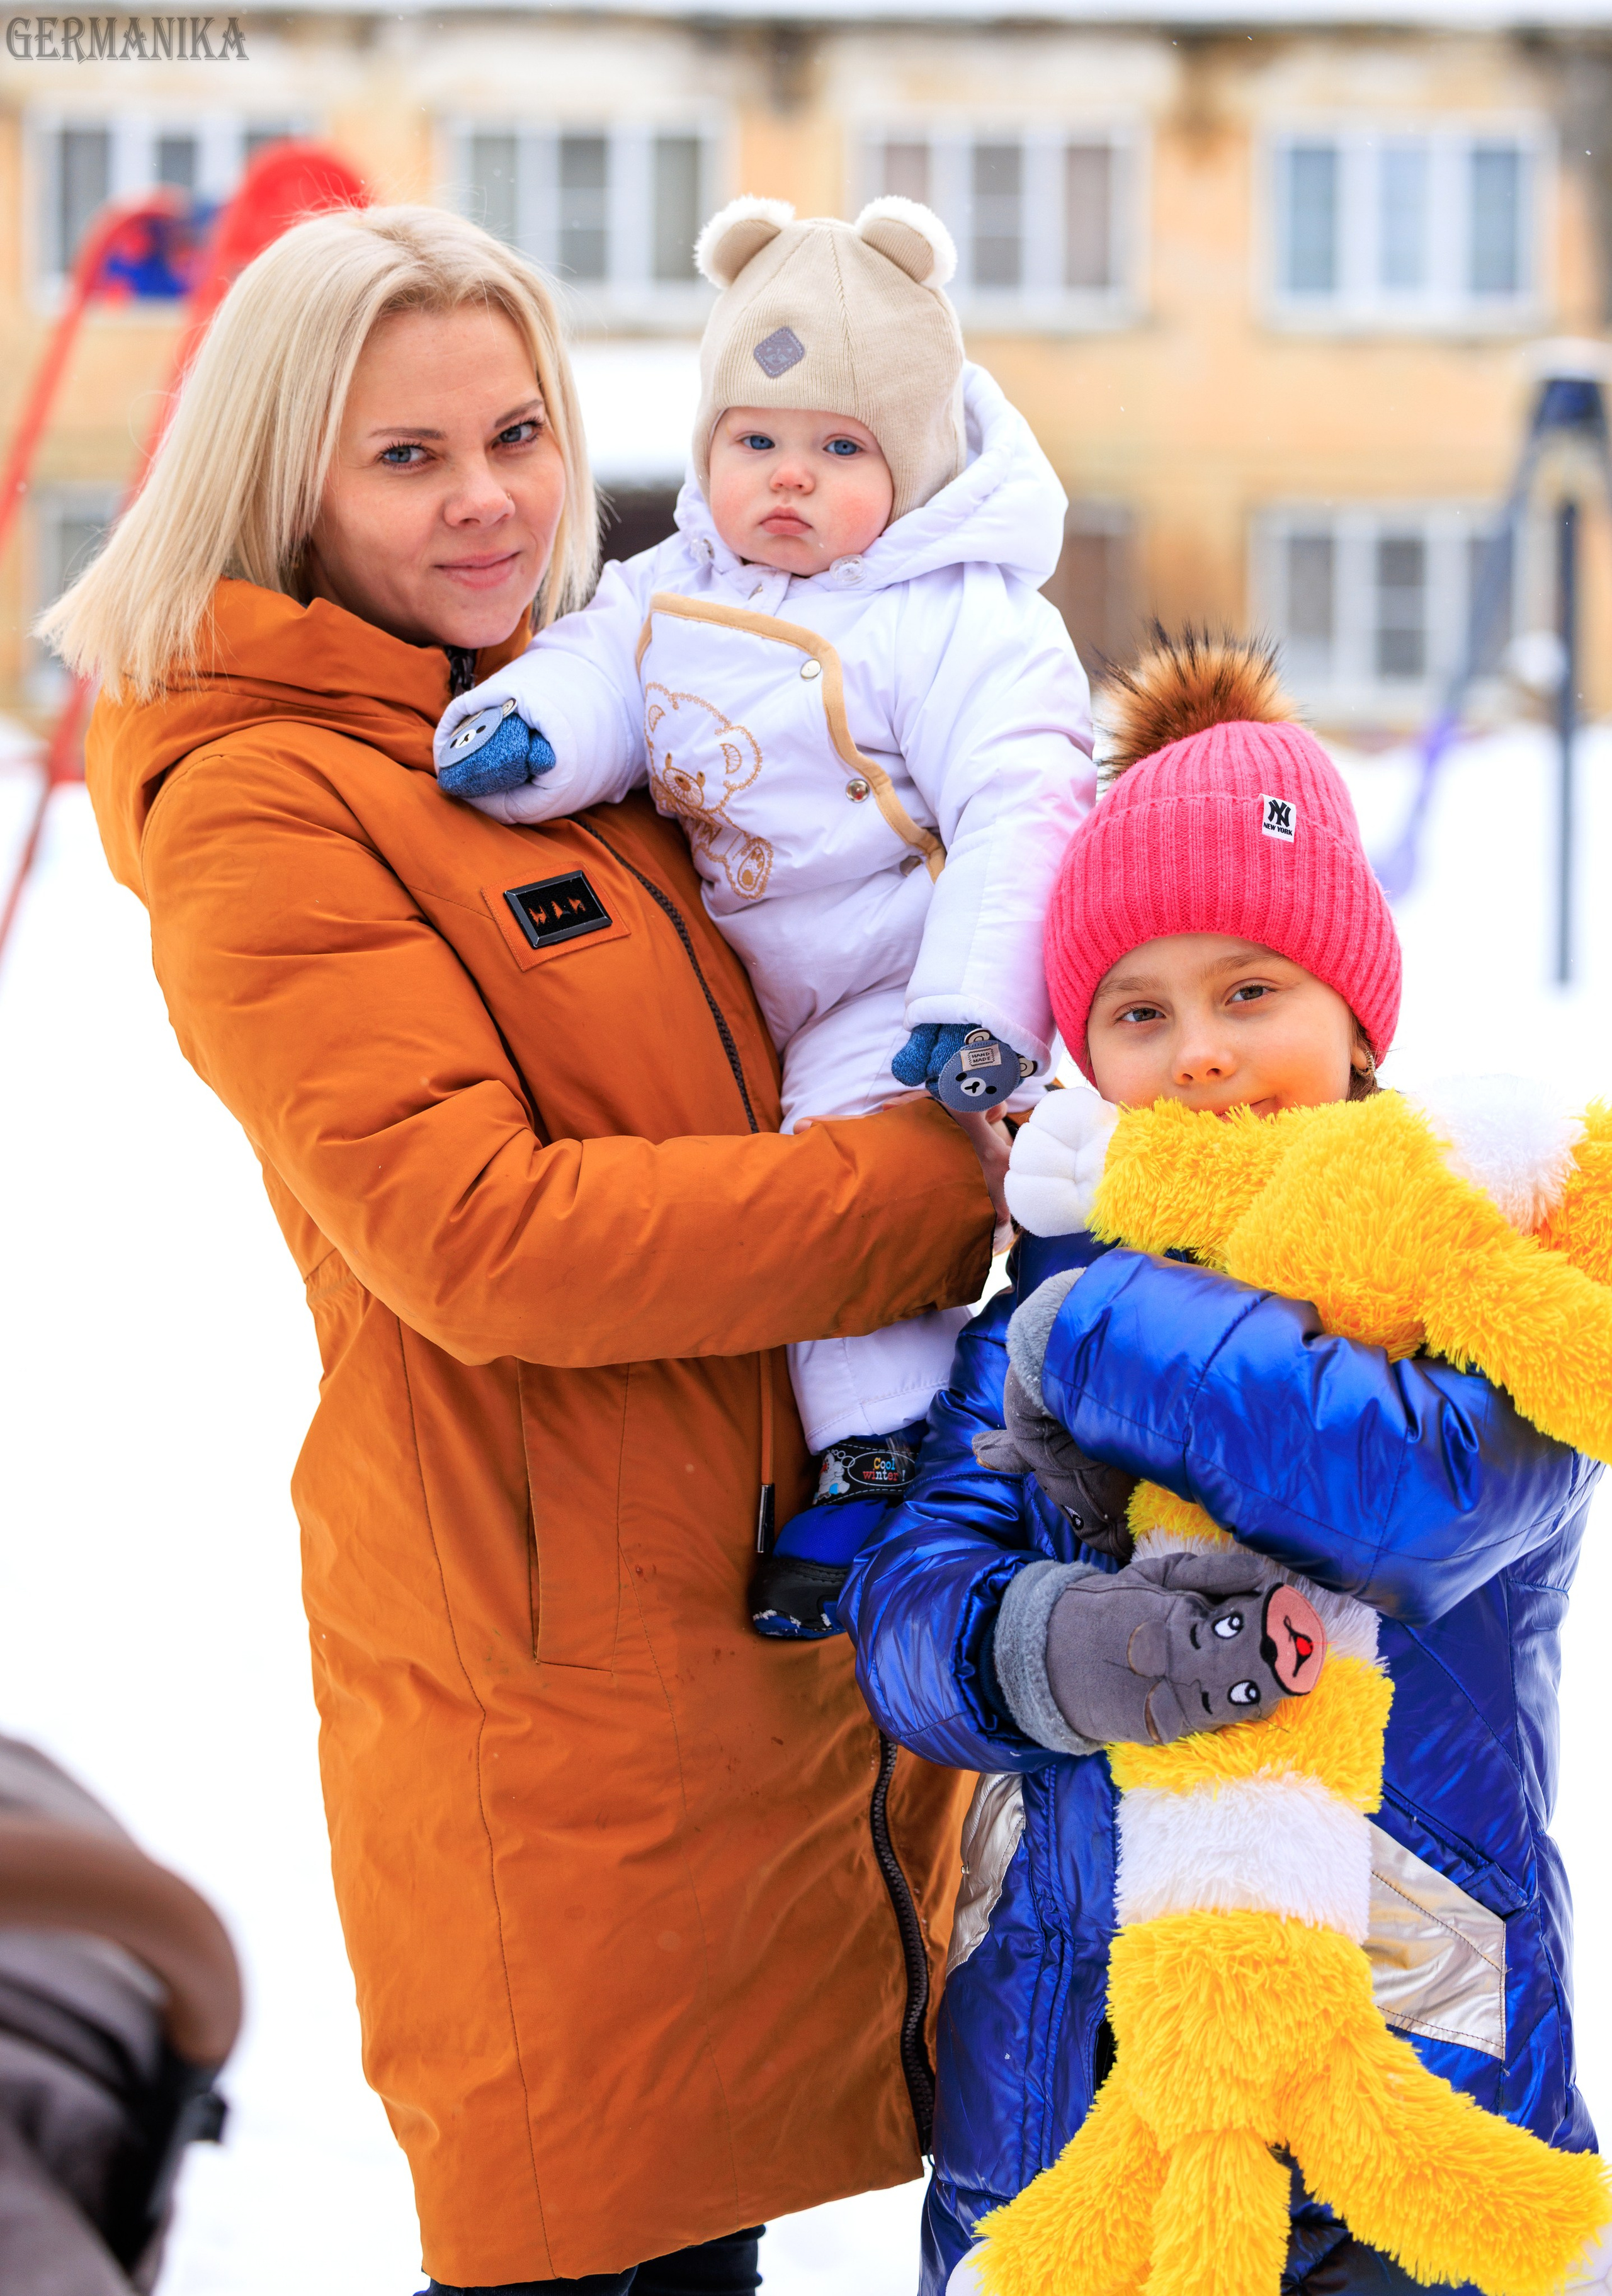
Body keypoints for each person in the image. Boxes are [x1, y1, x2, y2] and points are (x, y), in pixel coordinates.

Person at [42, 202, 1006, 2293]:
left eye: (519, 434)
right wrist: (939, 1195)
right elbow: (479, 1237)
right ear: (287, 476)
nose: (488, 498)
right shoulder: (267, 800)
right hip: (545, 1688)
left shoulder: (575, 705)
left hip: (747, 1651)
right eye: (409, 455)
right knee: (581, 2248)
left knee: (703, 2244)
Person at [839, 632, 1604, 2295]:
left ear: (1353, 1014)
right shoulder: (1040, 1303)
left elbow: (1409, 1494)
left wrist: (1113, 1313)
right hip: (1075, 2087)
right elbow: (908, 1612)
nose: (1196, 1051)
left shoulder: (1487, 1263)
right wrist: (1072, 1645)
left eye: (1248, 991)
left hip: (1415, 2080)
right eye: (1139, 1011)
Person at [431, 195, 1093, 1639]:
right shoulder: (668, 585)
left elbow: (1023, 800)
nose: (789, 478)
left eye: (839, 449)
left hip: (891, 974)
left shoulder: (957, 613)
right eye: (755, 442)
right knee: (763, 1194)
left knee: (848, 1195)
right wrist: (531, 730)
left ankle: (879, 1465)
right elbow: (600, 670)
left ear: (912, 462)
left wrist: (979, 1006)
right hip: (732, 972)